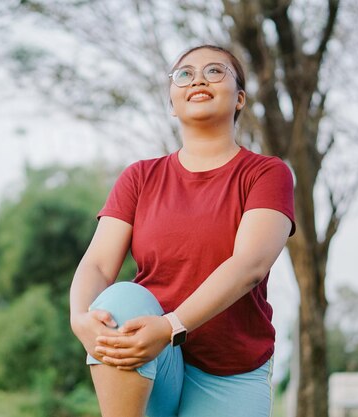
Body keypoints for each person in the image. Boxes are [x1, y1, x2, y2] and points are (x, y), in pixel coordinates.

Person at [69, 44, 296, 417]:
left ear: (239, 98)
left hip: (231, 368)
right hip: (152, 358)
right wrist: (79, 319)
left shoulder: (266, 174)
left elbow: (249, 265)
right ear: (173, 103)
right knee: (122, 299)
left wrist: (170, 326)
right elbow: (96, 264)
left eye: (215, 71)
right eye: (185, 74)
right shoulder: (140, 177)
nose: (198, 80)